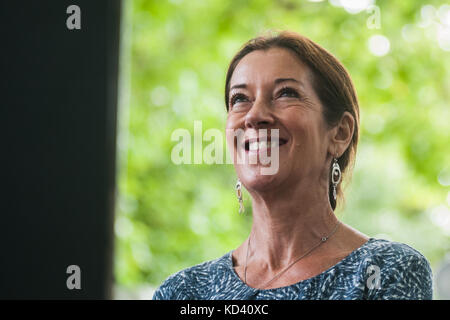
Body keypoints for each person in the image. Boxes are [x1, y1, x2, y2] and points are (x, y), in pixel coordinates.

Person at [153, 31, 433, 300]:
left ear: (340, 133)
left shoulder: (386, 272)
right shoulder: (184, 291)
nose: (254, 115)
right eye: (240, 99)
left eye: (285, 93)